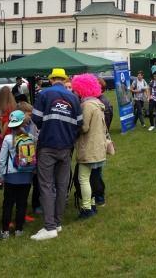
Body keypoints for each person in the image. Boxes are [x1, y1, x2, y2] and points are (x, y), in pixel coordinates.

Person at [30, 68, 82, 241]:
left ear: (52, 79)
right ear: (64, 79)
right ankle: (57, 223)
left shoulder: (45, 94)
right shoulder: (74, 98)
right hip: (66, 147)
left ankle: (50, 226)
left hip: (47, 145)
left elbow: (36, 119)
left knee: (46, 185)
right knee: (61, 185)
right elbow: (79, 124)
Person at [71, 74, 108, 219]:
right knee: (91, 178)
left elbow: (84, 127)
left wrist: (74, 127)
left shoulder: (86, 105)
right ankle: (91, 204)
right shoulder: (97, 104)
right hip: (98, 147)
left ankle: (86, 208)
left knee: (83, 179)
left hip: (89, 148)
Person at [0, 110, 36, 239]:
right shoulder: (31, 137)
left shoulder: (8, 139)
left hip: (11, 176)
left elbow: (2, 159)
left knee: (8, 203)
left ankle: (5, 231)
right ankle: (19, 229)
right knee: (22, 203)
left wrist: (1, 175)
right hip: (26, 174)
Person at [94, 78, 112, 206]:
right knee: (97, 171)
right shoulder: (103, 100)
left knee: (96, 171)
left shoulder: (101, 102)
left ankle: (99, 197)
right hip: (100, 139)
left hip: (97, 141)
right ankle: (98, 196)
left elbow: (103, 124)